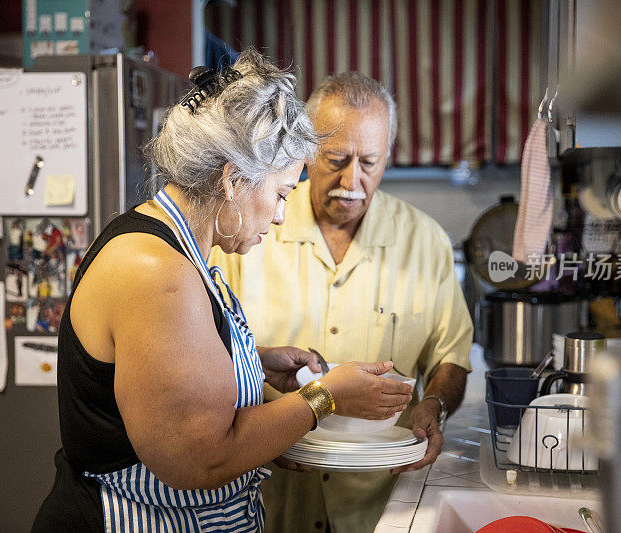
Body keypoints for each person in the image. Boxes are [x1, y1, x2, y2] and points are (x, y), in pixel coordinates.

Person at [32, 50, 413, 533]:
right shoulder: (156, 274)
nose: (280, 216)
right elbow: (203, 458)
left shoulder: (176, 245)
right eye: (280, 194)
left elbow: (173, 372)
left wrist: (252, 360)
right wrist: (326, 396)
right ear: (233, 181)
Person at [209, 72, 474, 532]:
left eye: (369, 162)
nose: (352, 180)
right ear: (307, 150)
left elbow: (451, 356)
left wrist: (434, 406)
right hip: (270, 495)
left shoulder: (425, 241)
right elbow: (207, 353)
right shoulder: (251, 228)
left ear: (389, 157)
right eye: (336, 159)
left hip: (378, 501)